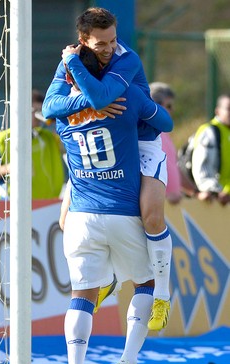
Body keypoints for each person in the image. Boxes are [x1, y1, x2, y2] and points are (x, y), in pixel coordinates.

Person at [43, 7, 172, 332]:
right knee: (65, 220)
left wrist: (89, 94)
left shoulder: (125, 59)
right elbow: (49, 107)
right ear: (83, 40)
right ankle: (106, 280)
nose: (110, 48)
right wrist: (87, 101)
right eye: (101, 43)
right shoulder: (73, 60)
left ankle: (162, 294)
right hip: (101, 146)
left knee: (151, 215)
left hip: (141, 143)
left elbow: (101, 97)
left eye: (112, 40)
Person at [55, 46, 173, 364]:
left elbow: (50, 105)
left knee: (81, 294)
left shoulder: (62, 113)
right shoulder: (125, 99)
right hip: (119, 210)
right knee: (145, 281)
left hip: (81, 211)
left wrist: (71, 68)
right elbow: (165, 123)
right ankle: (128, 361)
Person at [0, 89, 65, 200]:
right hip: (9, 205)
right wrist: (10, 168)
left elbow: (72, 148)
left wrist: (58, 121)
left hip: (45, 206)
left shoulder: (49, 138)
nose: (38, 116)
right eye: (35, 111)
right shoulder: (3, 139)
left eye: (41, 111)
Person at [191, 94, 230, 205]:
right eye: (229, 109)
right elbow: (202, 168)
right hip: (212, 201)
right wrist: (215, 191)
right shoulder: (209, 132)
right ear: (217, 111)